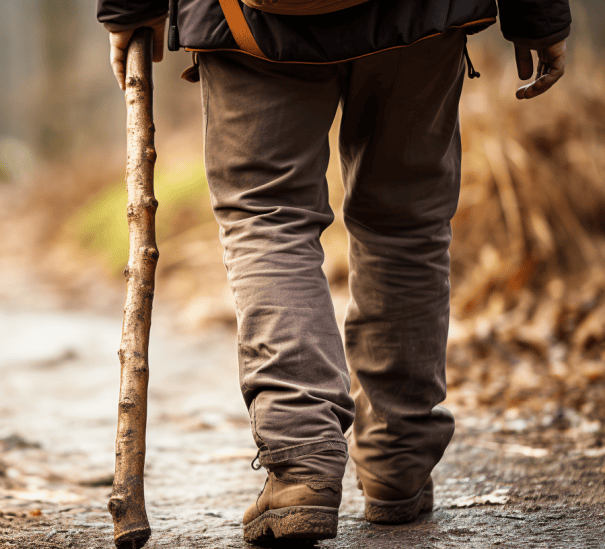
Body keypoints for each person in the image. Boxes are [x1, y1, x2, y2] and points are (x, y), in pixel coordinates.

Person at [97, 0, 570, 543]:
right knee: (405, 220)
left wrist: (131, 8)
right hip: (421, 18)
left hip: (249, 21)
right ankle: (398, 458)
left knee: (267, 217)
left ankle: (302, 464)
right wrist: (538, 12)